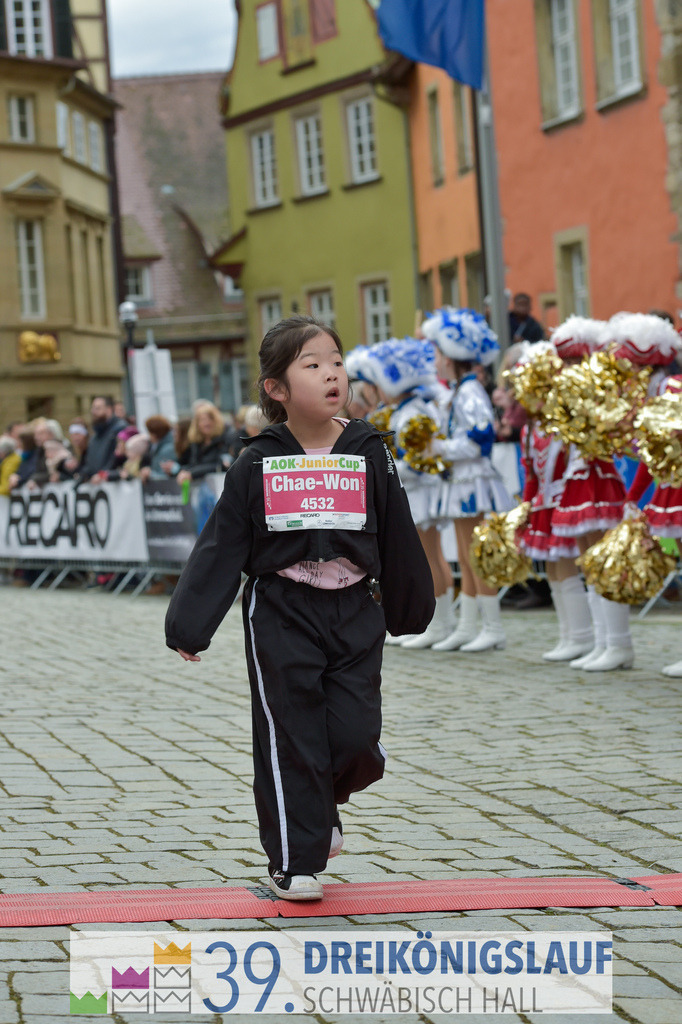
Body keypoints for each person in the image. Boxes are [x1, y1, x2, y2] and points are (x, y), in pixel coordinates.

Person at [165, 314, 434, 901]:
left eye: (336, 361)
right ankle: (295, 860)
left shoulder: (368, 448)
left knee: (356, 735)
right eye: (312, 365)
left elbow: (397, 531)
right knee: (291, 734)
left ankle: (321, 803)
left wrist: (410, 608)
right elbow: (223, 542)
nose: (331, 373)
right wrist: (190, 624)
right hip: (281, 608)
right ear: (277, 389)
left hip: (354, 606)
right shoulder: (258, 458)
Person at [421, 307, 514, 652]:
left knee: (475, 552)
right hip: (462, 478)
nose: (437, 359)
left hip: (472, 478)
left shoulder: (470, 391)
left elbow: (481, 437)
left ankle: (492, 626)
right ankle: (469, 623)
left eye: (440, 353)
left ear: (454, 356)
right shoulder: (463, 389)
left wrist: (440, 447)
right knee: (465, 551)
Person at [365, 336, 455, 648]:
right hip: (416, 493)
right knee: (432, 557)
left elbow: (419, 463)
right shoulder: (406, 411)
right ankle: (442, 622)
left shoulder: (414, 412)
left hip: (421, 494)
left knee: (430, 558)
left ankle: (441, 624)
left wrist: (382, 469)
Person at [175, 402, 236, 482]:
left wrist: (192, 474)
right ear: (197, 424)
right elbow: (194, 464)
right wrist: (181, 471)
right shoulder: (196, 442)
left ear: (216, 421)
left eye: (210, 419)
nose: (206, 423)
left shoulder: (225, 438)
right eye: (202, 420)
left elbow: (221, 465)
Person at [77, 397, 127, 481]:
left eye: (98, 408)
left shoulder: (120, 429)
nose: (93, 412)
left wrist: (102, 475)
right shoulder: (95, 436)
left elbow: (116, 459)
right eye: (93, 408)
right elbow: (90, 462)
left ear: (109, 409)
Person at [139, 416, 176, 481]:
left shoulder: (167, 449)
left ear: (155, 433)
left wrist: (150, 474)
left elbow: (164, 476)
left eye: (150, 432)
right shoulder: (157, 447)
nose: (149, 436)